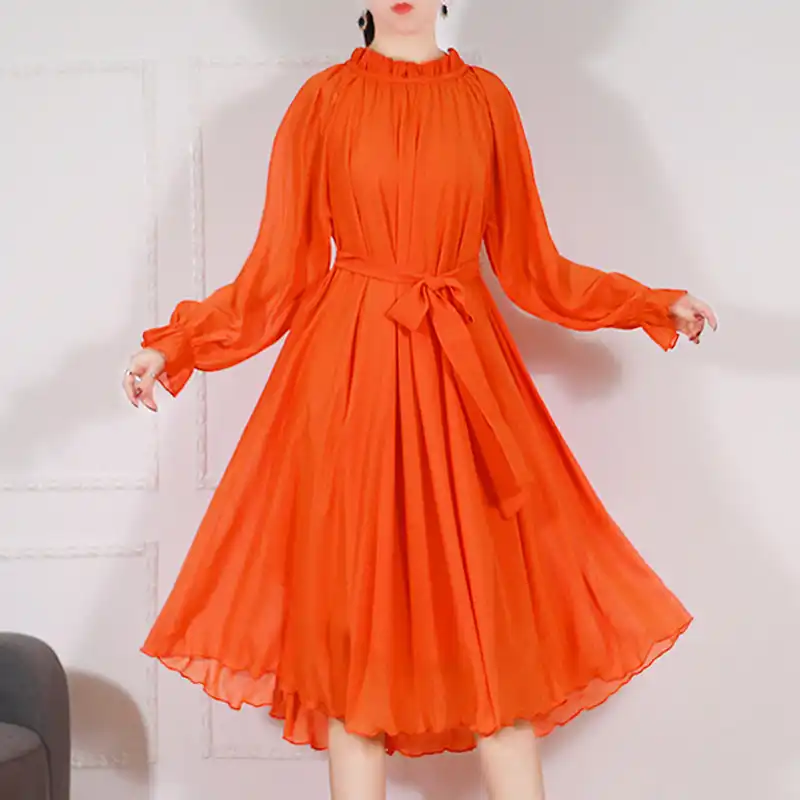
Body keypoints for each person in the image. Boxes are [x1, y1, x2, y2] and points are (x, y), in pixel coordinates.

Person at [121, 2, 717, 798]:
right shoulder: (322, 103)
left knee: (495, 653)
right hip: (350, 383)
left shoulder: (487, 101)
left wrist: (648, 304)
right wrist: (177, 345)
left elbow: (533, 265)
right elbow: (277, 272)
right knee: (354, 667)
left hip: (465, 382)